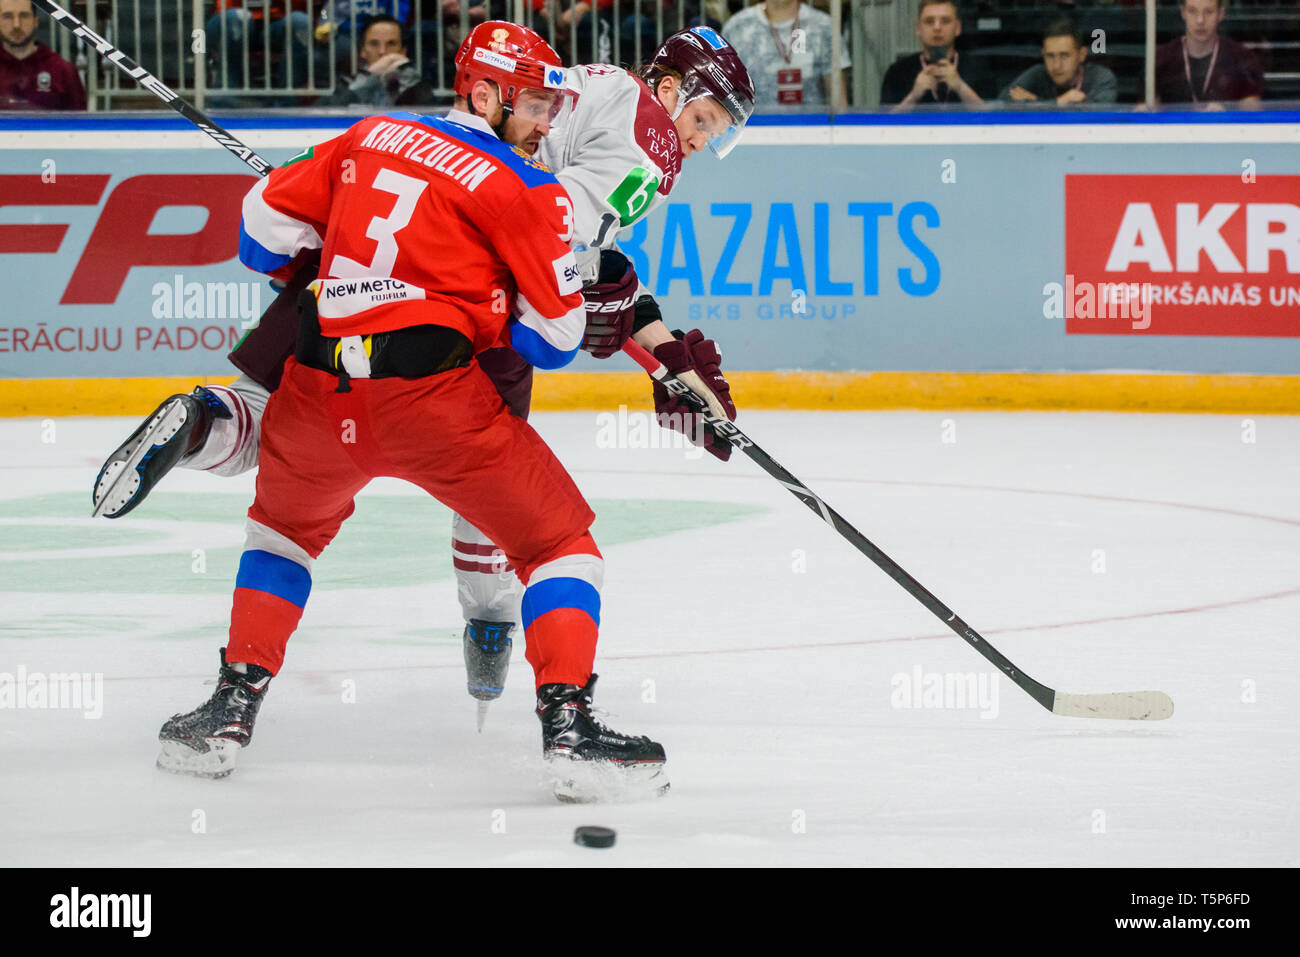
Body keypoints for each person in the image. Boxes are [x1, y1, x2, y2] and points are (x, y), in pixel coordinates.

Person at [94, 22, 750, 729]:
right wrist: (637, 329)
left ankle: (203, 430)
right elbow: (558, 272)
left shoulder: (435, 118)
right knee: (515, 512)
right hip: (466, 310)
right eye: (705, 120)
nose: (700, 140)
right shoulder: (643, 133)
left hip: (358, 280)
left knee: (273, 446)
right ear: (670, 87)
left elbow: (263, 232)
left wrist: (663, 346)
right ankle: (504, 643)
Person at [721, 0, 847, 108]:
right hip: (751, 130)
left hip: (813, 129)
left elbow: (838, 99)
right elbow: (724, 93)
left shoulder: (823, 26)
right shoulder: (736, 27)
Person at [880, 0, 993, 111]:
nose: (937, 28)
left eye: (945, 21)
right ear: (918, 28)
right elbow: (883, 124)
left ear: (958, 28)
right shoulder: (897, 72)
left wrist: (960, 87)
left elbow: (994, 119)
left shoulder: (978, 68)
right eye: (929, 21)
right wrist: (914, 96)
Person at [1155, 0, 1263, 108]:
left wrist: (1226, 119)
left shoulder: (1242, 58)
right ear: (1183, 12)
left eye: (1209, 12)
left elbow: (1253, 115)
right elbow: (1147, 112)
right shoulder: (1161, 58)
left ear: (1221, 14)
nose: (1200, 20)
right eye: (1192, 11)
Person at [1000, 20, 1117, 107]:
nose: (1056, 66)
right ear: (1043, 54)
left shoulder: (1101, 77)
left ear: (1082, 55)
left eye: (1064, 56)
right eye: (1050, 56)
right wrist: (1058, 103)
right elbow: (1002, 102)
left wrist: (1035, 102)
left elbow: (1100, 114)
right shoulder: (1038, 73)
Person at [327, 13, 431, 107]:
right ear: (363, 50)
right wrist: (370, 75)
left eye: (391, 44)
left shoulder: (413, 80)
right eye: (374, 43)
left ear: (403, 51)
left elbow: (431, 115)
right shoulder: (348, 80)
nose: (382, 51)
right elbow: (328, 114)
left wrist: (410, 79)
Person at [0, 0, 85, 110]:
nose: (17, 25)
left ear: (35, 21)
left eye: (24, 16)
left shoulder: (63, 71)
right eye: (7, 16)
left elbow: (81, 125)